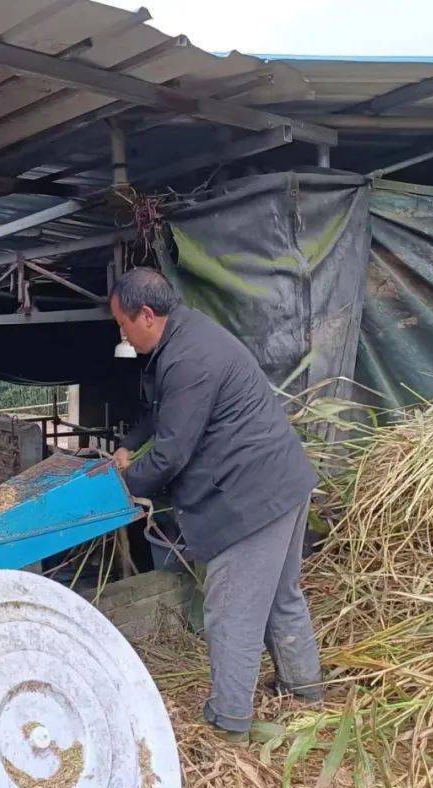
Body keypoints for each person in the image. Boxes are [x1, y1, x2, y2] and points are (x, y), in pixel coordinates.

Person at [110, 267, 323, 743]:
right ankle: (304, 691)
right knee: (279, 598)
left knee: (231, 614)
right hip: (281, 481)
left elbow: (172, 453)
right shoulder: (186, 334)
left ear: (147, 314)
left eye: (123, 323)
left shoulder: (188, 358)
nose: (121, 333)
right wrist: (130, 443)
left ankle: (228, 727)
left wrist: (123, 483)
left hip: (251, 498)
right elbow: (164, 416)